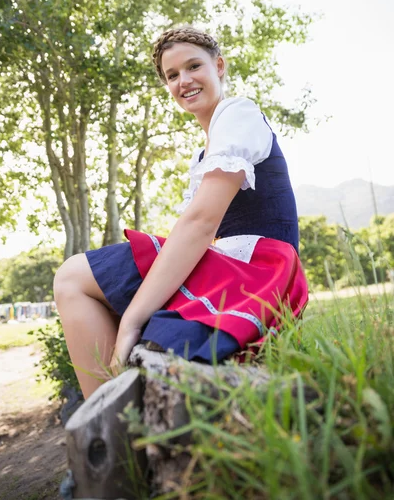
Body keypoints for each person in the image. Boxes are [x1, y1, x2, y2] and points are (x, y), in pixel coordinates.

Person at [54, 26, 308, 399]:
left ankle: (109, 426)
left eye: (193, 66)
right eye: (172, 75)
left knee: (73, 276)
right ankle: (115, 421)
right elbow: (193, 232)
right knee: (90, 283)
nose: (183, 80)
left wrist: (132, 318)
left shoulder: (239, 114)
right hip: (232, 267)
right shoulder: (204, 155)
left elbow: (201, 223)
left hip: (257, 270)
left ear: (218, 66)